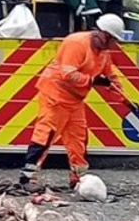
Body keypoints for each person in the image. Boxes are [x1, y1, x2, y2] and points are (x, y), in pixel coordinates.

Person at [18, 13, 126, 190]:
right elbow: (67, 74)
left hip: (75, 100)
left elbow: (111, 76)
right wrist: (92, 81)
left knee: (79, 139)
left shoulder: (103, 53)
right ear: (104, 35)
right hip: (56, 95)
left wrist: (125, 99)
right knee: (45, 136)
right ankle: (27, 178)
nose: (115, 45)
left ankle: (79, 178)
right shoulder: (76, 43)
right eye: (114, 40)